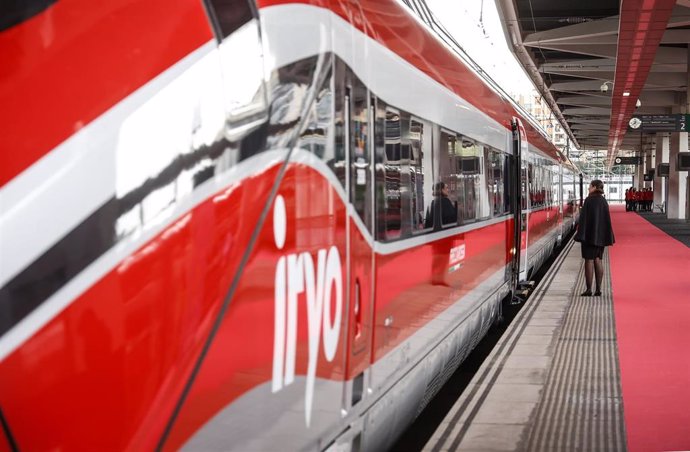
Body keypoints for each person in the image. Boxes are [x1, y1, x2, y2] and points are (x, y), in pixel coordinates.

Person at [574, 179, 615, 296]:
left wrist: (580, 234)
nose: (588, 188)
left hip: (589, 236)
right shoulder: (603, 201)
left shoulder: (589, 200)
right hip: (601, 237)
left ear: (594, 187)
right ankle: (598, 289)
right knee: (598, 259)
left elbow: (583, 220)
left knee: (589, 261)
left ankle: (588, 289)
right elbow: (606, 220)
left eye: (590, 186)